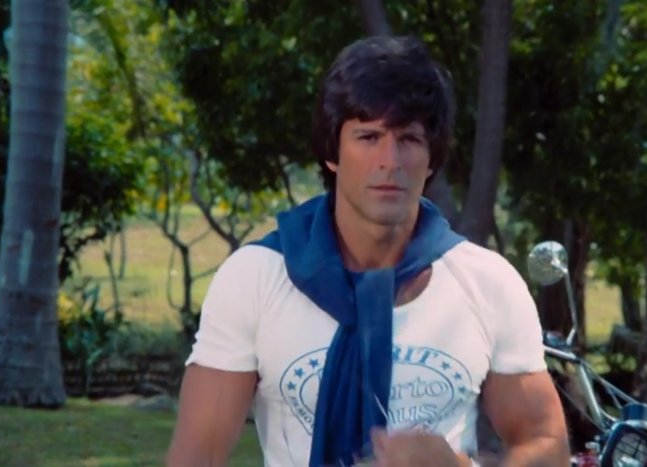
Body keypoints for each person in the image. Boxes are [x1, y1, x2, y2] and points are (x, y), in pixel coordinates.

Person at [166, 35, 569, 467]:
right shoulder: (257, 277)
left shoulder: (487, 283)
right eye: (368, 136)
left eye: (409, 139)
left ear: (432, 158)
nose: (389, 160)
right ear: (332, 153)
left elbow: (547, 446)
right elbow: (197, 456)